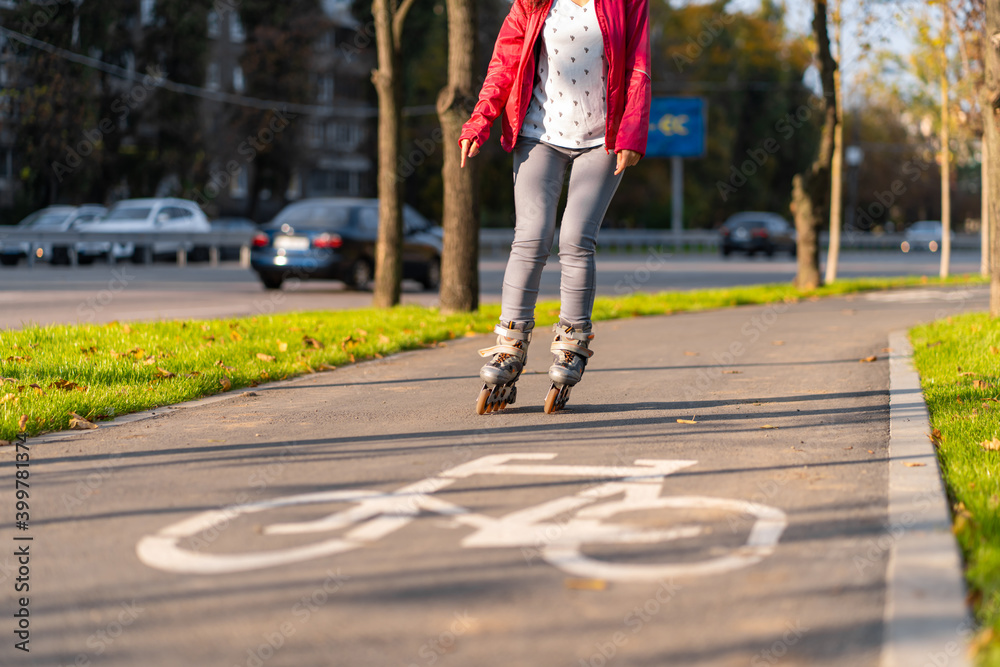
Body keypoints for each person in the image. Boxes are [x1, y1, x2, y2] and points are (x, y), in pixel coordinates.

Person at [459, 0, 651, 414]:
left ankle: (572, 343)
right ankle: (509, 346)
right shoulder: (534, 2)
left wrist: (633, 133)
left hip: (604, 138)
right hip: (538, 134)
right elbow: (505, 62)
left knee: (576, 238)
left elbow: (639, 66)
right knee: (530, 236)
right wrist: (480, 120)